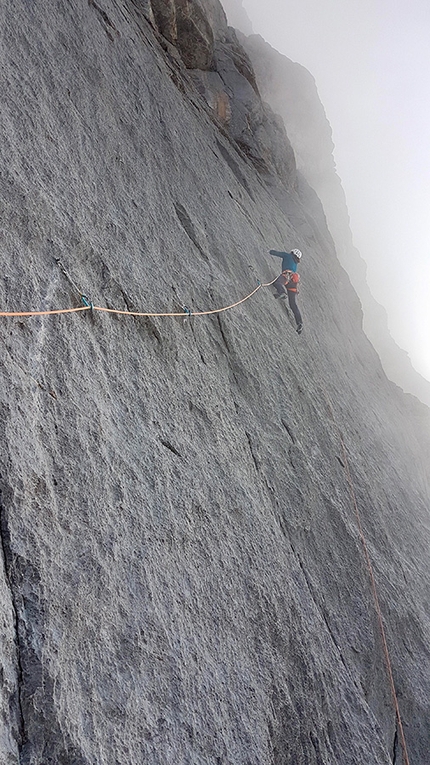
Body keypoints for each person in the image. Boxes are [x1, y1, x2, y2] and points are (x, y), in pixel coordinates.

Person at [270, 247, 303, 334]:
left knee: (276, 282)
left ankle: (282, 292)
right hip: (293, 284)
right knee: (293, 304)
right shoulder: (296, 264)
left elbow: (277, 253)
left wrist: (269, 251)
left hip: (287, 277)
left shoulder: (288, 256)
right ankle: (299, 323)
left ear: (292, 252)